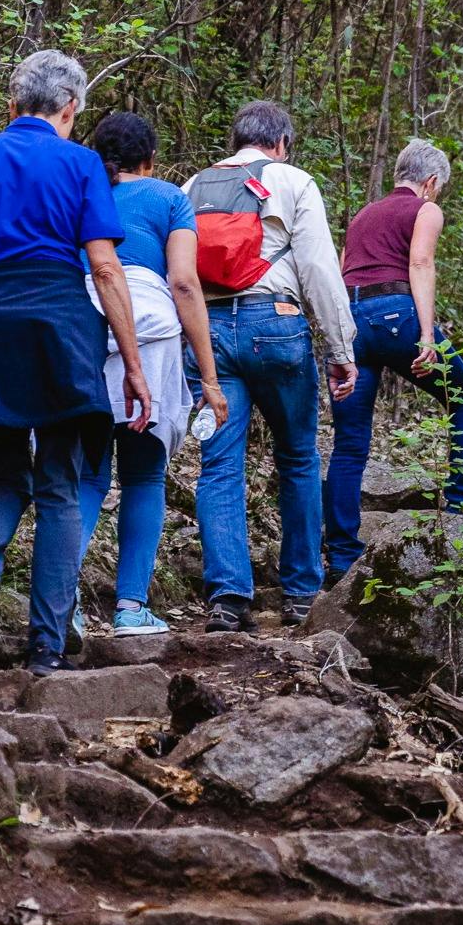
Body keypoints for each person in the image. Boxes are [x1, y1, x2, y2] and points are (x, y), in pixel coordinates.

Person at [0, 50, 149, 676]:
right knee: (57, 486)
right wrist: (132, 364)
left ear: (13, 103)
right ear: (71, 107)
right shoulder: (80, 164)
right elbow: (103, 266)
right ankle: (46, 649)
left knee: (3, 476)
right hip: (58, 333)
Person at [184, 100, 357, 632]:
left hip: (208, 332)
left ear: (237, 140)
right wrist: (340, 350)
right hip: (275, 324)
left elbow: (180, 272)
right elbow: (319, 269)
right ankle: (302, 592)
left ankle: (227, 599)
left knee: (220, 465)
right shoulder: (294, 181)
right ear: (280, 142)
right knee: (299, 457)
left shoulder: (193, 185)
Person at [74, 111, 229, 636]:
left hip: (88, 329)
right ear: (151, 159)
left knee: (87, 475)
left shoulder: (81, 193)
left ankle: (59, 603)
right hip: (154, 335)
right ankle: (130, 608)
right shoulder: (169, 199)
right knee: (143, 474)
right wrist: (208, 378)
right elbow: (184, 283)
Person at [323, 140, 463, 581]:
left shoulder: (361, 216)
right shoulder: (424, 210)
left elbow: (339, 275)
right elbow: (420, 262)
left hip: (350, 324)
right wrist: (428, 336)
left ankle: (340, 557)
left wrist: (337, 339)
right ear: (430, 182)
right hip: (397, 316)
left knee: (350, 443)